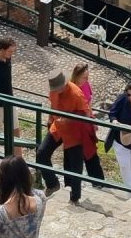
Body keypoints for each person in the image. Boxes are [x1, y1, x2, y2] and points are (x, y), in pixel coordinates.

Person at [40, 71, 102, 203]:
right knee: (41, 153)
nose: (58, 91)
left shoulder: (76, 94)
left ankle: (75, 197)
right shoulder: (54, 91)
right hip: (57, 128)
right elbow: (53, 105)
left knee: (76, 165)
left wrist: (68, 120)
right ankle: (52, 183)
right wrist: (51, 119)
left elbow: (85, 114)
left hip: (74, 132)